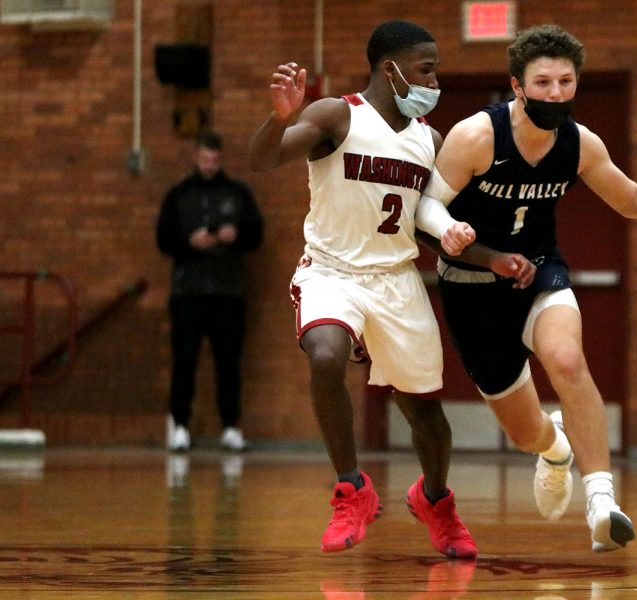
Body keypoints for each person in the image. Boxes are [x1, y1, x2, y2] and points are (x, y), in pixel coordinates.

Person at [413, 24, 637, 552]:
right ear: (517, 85)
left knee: (567, 361)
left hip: (541, 272)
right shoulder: (476, 136)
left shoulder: (578, 144)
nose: (555, 93)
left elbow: (632, 198)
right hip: (473, 287)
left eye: (566, 82)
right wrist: (452, 232)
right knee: (524, 433)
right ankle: (554, 450)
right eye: (543, 82)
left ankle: (602, 502)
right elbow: (426, 207)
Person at [248, 20, 480, 558]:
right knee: (325, 354)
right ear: (389, 68)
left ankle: (435, 499)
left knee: (426, 416)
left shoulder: (431, 140)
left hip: (396, 279)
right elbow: (263, 160)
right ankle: (352, 487)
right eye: (426, 68)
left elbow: (426, 218)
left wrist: (463, 239)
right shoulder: (337, 114)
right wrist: (277, 119)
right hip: (331, 270)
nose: (435, 79)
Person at [157, 131, 263, 453]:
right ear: (196, 157)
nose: (209, 165)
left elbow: (256, 235)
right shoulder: (178, 195)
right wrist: (189, 243)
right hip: (187, 292)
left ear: (221, 159)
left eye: (214, 160)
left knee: (228, 362)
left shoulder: (238, 193)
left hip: (228, 292)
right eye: (204, 159)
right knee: (184, 360)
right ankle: (180, 426)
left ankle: (230, 427)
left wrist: (236, 236)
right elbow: (163, 239)